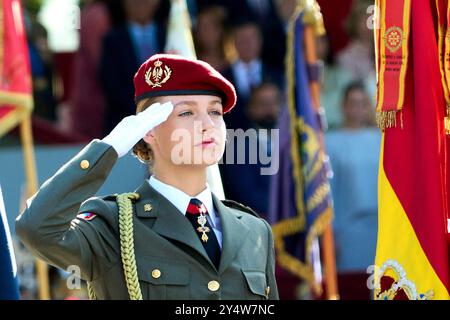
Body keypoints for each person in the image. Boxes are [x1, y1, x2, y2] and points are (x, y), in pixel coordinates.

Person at [15, 54, 278, 300]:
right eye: (187, 112)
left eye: (215, 112)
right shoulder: (113, 225)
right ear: (148, 130)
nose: (208, 124)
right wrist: (109, 148)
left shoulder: (254, 231)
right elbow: (37, 229)